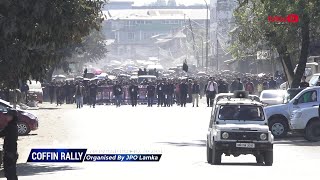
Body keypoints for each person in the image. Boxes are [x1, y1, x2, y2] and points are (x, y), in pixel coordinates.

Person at [0, 109, 19, 180]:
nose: (7, 117)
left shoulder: (11, 126)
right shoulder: (12, 125)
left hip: (10, 152)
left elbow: (2, 133)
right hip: (11, 152)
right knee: (10, 174)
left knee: (10, 174)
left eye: (9, 115)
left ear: (13, 117)